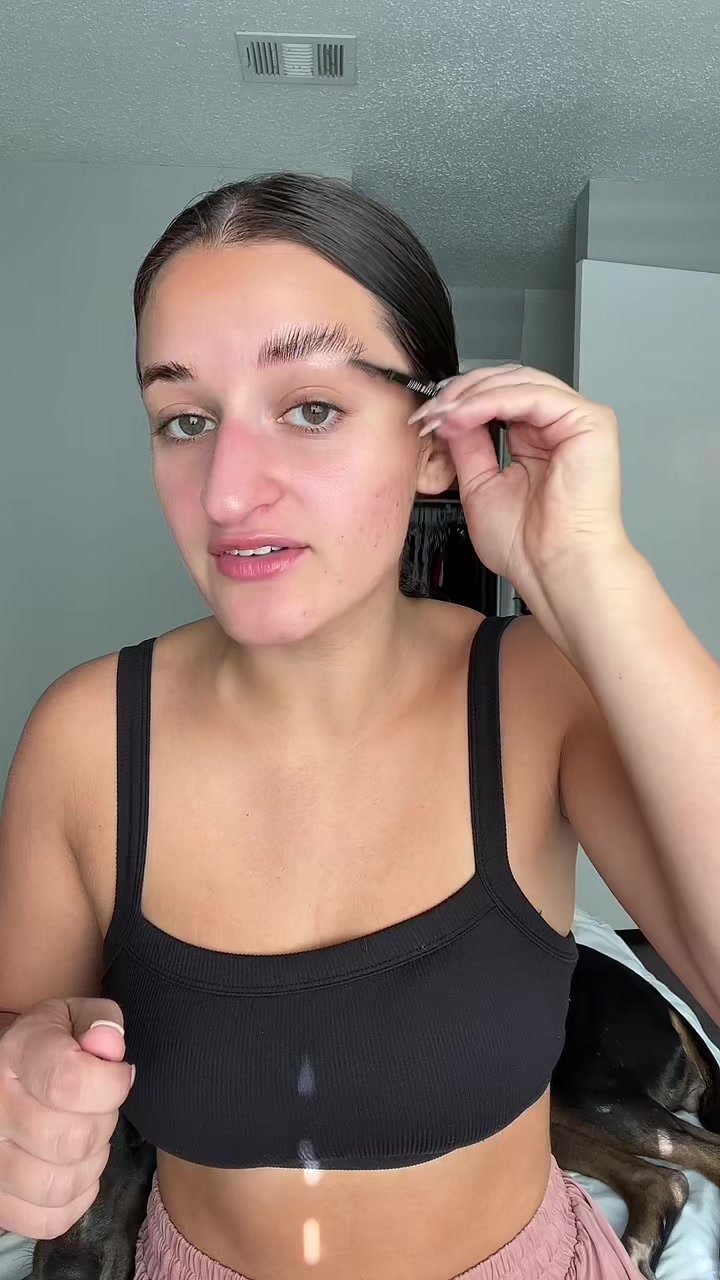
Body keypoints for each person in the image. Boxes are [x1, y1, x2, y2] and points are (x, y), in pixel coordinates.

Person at [0, 173, 718, 1280]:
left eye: (311, 408)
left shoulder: (536, 691)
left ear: (435, 443)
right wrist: (26, 1089)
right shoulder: (85, 736)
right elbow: (22, 1028)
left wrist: (592, 571)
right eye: (186, 419)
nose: (227, 492)